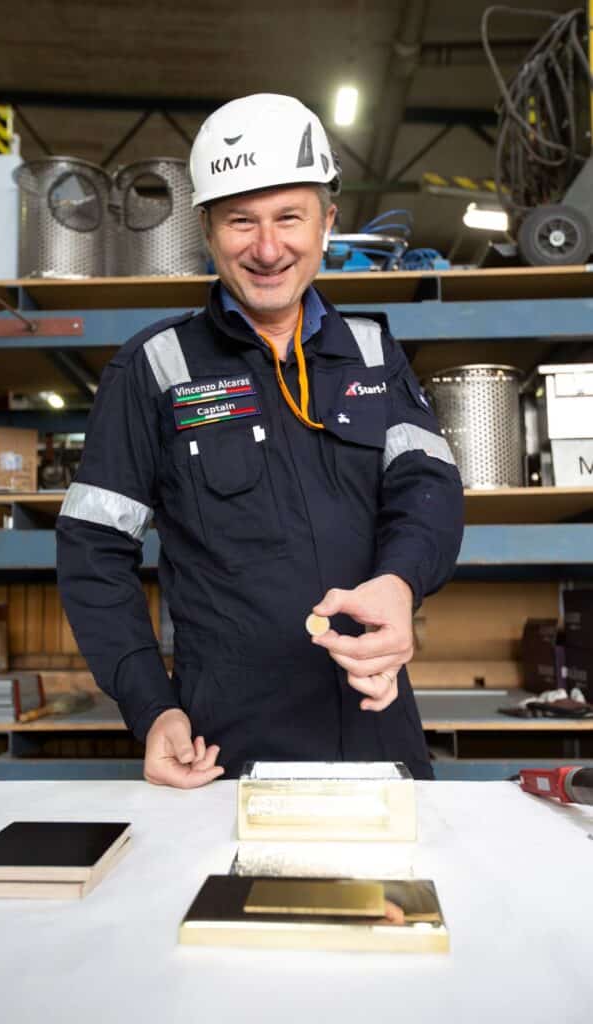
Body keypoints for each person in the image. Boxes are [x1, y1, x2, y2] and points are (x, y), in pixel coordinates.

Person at [56, 93, 464, 788]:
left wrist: (399, 583)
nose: (268, 248)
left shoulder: (372, 354)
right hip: (222, 750)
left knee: (396, 900)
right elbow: (94, 551)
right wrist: (152, 708)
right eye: (241, 220)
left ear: (327, 222)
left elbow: (426, 489)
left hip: (376, 722)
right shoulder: (155, 367)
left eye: (288, 218)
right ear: (208, 230)